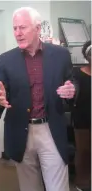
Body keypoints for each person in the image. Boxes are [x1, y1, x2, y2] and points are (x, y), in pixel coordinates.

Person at [0, 7, 77, 191]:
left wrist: (72, 89)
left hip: (51, 129)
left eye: (22, 27)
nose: (17, 33)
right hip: (20, 130)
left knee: (58, 187)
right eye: (15, 28)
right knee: (29, 187)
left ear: (38, 29)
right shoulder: (6, 59)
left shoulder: (60, 55)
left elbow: (73, 81)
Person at [72, 40, 91, 191]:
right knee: (84, 152)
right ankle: (82, 183)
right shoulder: (77, 74)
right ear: (87, 55)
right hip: (83, 121)